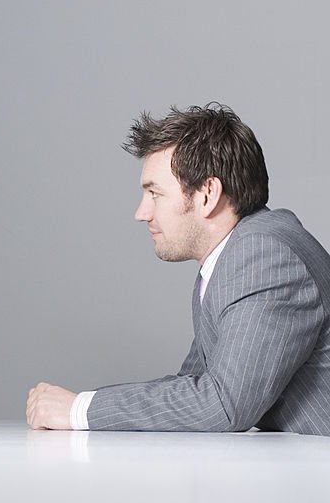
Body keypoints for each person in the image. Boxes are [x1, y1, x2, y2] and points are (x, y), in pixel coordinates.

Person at [26, 104, 330, 435]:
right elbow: (194, 385)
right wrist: (80, 406)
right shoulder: (227, 262)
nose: (141, 213)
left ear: (207, 194)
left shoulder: (263, 256)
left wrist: (79, 409)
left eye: (154, 193)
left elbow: (222, 405)